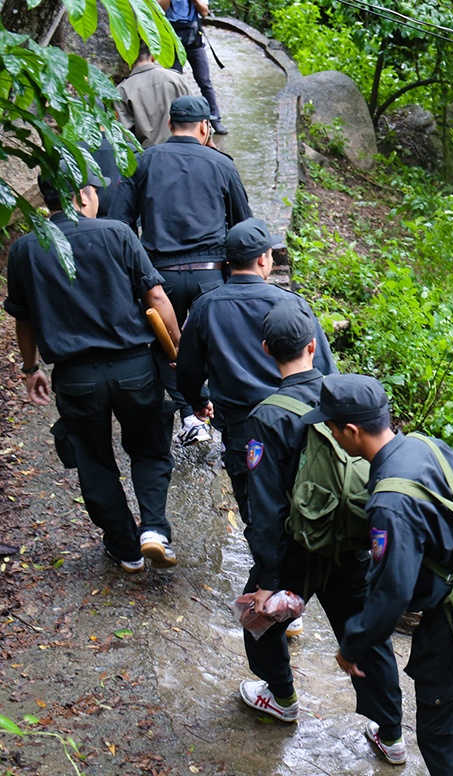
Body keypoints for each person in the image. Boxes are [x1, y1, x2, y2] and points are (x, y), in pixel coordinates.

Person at [313, 375, 453, 776]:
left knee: (441, 732)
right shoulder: (425, 445)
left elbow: (392, 592)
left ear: (351, 431)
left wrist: (352, 646)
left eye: (332, 428)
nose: (331, 436)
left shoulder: (390, 502)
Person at [235, 303, 406, 764]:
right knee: (364, 633)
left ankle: (282, 697)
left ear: (266, 349)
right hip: (351, 544)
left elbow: (265, 506)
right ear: (314, 345)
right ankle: (391, 734)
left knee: (257, 617)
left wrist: (268, 577)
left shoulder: (267, 416)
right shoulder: (349, 397)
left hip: (296, 550)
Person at [5, 173, 180, 572]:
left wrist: (31, 368)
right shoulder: (117, 233)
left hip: (75, 376)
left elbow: (23, 318)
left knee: (93, 460)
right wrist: (178, 348)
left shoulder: (25, 249)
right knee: (149, 448)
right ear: (82, 197)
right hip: (134, 368)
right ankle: (154, 530)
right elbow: (155, 295)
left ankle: (124, 547)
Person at [109, 95, 252, 441]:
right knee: (218, 345)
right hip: (211, 275)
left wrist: (137, 272)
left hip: (160, 279)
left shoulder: (143, 161)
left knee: (164, 348)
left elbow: (119, 224)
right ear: (205, 127)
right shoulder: (222, 165)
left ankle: (190, 417)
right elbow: (244, 227)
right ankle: (226, 424)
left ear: (170, 124)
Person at [176, 218, 336, 524]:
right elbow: (327, 372)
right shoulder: (292, 305)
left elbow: (187, 370)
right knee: (307, 510)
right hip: (297, 425)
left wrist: (199, 400)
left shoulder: (205, 307)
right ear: (263, 259)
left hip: (243, 432)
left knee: (256, 517)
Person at [163, 0, 227, 134]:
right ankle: (177, 121)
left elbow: (204, 12)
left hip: (194, 39)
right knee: (174, 82)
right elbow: (160, 8)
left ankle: (215, 120)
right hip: (172, 39)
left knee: (205, 81)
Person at [115, 42, 191, 148]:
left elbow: (125, 136)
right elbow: (196, 114)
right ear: (153, 56)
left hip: (148, 154)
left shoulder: (123, 90)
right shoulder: (177, 79)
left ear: (126, 58)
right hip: (184, 149)